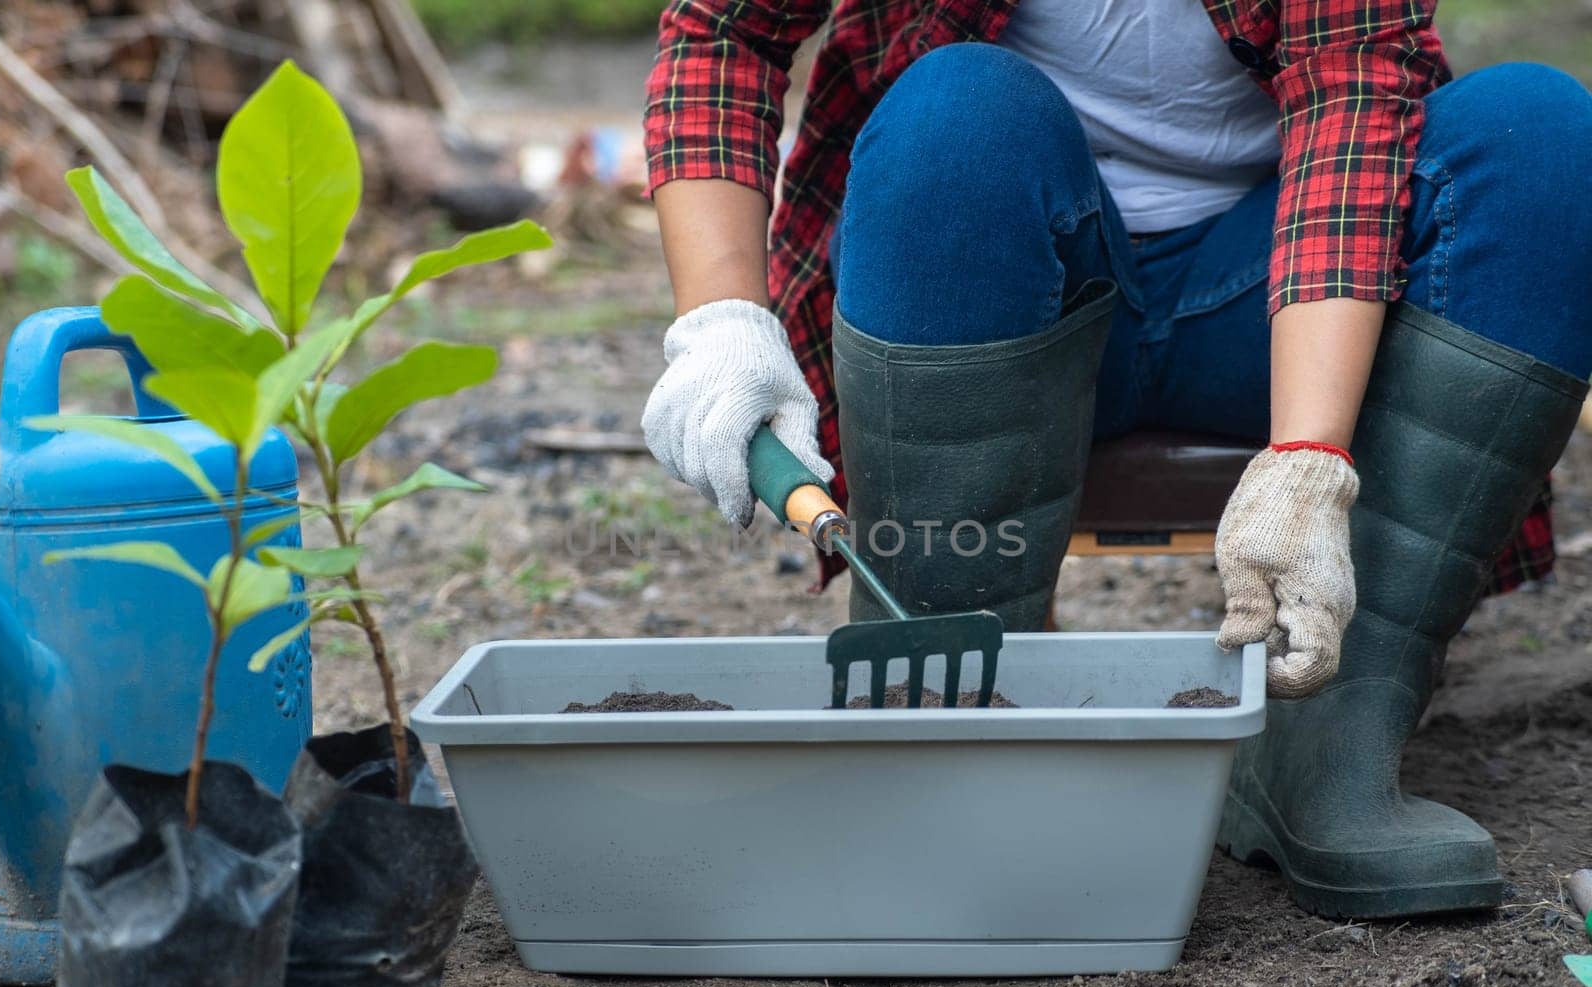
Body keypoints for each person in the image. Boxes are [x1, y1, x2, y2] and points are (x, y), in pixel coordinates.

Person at [637, 0, 1592, 919]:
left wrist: (1309, 456)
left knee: (1539, 138)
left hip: (1279, 309)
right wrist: (721, 321)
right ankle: (943, 721)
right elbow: (727, 28)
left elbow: (1353, 101)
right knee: (955, 114)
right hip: (996, 278)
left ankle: (1329, 730)